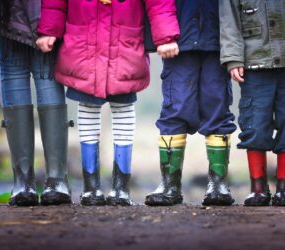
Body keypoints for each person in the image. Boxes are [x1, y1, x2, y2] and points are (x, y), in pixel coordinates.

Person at [36, 0, 180, 206]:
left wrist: (165, 36)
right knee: (87, 106)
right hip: (83, 44)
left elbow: (159, 3)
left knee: (122, 108)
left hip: (124, 45)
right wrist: (49, 28)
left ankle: (121, 187)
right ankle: (90, 187)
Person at [0, 0, 72, 206]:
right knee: (33, 72)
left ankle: (31, 182)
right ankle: (48, 181)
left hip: (28, 10)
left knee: (32, 71)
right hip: (20, 10)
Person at [220, 0, 285, 206]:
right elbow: (229, 22)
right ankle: (258, 188)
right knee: (254, 124)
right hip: (253, 65)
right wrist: (233, 59)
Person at [144, 0, 237, 207]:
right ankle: (170, 185)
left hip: (219, 42)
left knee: (218, 111)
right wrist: (163, 34)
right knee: (174, 110)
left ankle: (218, 183)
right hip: (177, 42)